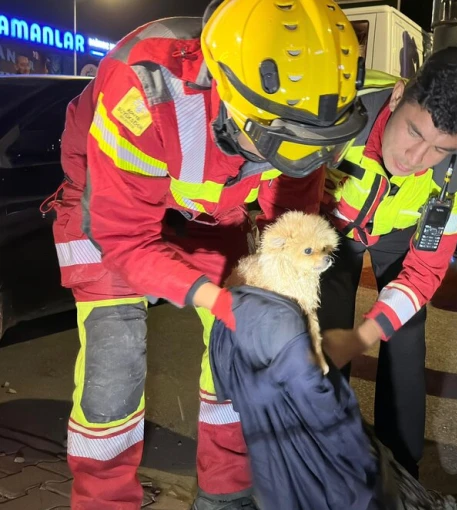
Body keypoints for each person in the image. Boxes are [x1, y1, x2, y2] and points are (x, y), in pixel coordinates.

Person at [46, 0, 365, 508]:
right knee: (115, 364)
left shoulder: (302, 114)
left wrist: (291, 321)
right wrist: (218, 300)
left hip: (211, 213)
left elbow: (288, 226)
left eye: (308, 147)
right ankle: (104, 501)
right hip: (107, 205)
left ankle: (226, 495)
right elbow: (125, 238)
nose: (293, 160)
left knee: (235, 354)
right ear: (227, 96)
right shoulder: (143, 88)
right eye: (278, 143)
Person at [316, 47, 457, 478]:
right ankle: (325, 444)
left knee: (405, 328)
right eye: (414, 133)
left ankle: (401, 461)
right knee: (326, 329)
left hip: (400, 234)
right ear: (398, 97)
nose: (414, 159)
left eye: (439, 149)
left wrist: (367, 334)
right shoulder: (340, 112)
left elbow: (425, 270)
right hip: (329, 225)